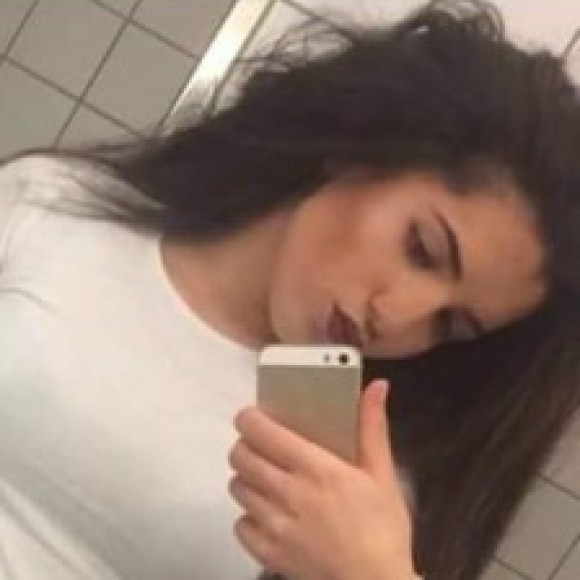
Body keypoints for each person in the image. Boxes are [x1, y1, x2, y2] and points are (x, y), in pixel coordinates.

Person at [1, 0, 580, 579]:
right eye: (421, 249)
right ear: (361, 156)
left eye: (449, 324)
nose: (401, 315)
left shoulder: (361, 491)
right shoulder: (53, 206)